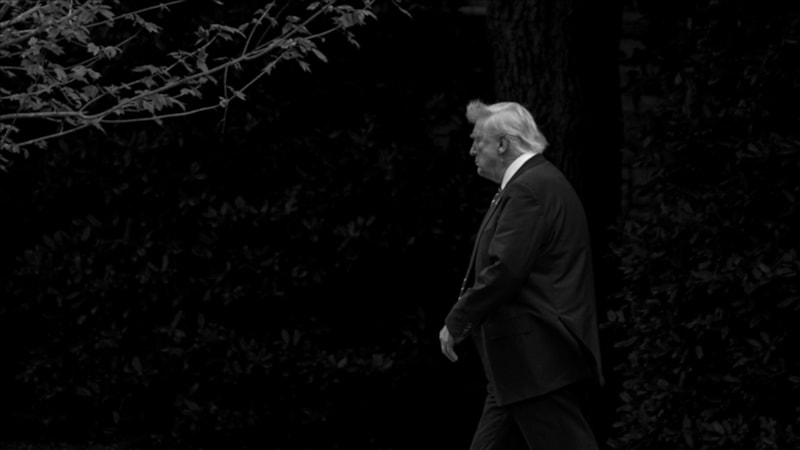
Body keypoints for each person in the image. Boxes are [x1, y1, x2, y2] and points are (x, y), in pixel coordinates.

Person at [439, 100, 603, 450]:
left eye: (477, 140)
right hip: (522, 363)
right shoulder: (536, 182)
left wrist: (458, 320)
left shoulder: (528, 188)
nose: (471, 150)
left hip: (537, 358)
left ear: (503, 143)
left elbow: (506, 270)